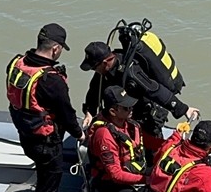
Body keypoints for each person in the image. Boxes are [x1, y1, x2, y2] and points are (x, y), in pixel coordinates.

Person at [79, 20, 200, 149]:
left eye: (93, 67)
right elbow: (94, 89)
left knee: (151, 147)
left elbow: (155, 90)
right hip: (129, 109)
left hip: (150, 110)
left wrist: (184, 109)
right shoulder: (104, 71)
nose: (93, 70)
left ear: (105, 62)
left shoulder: (131, 72)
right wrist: (89, 111)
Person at [5, 22, 84, 192]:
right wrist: (79, 134)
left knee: (43, 174)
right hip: (46, 143)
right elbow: (66, 113)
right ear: (56, 49)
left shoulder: (16, 63)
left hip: (26, 133)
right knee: (49, 181)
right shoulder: (52, 80)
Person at [85, 85, 150, 192]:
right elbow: (115, 175)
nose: (131, 109)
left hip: (132, 168)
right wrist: (145, 180)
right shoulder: (104, 136)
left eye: (131, 106)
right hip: (108, 181)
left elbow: (143, 142)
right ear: (113, 111)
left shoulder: (125, 123)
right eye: (126, 108)